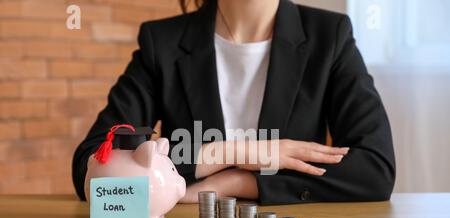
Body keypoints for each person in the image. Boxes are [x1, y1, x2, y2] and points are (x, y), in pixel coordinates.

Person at [72, 0, 396, 205]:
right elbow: (91, 165)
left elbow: (374, 169)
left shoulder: (330, 35)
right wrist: (229, 152)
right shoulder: (163, 43)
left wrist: (239, 182)